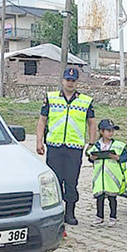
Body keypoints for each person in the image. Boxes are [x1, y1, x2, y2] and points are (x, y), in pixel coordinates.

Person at [36, 66, 96, 225]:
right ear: (62, 80)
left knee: (71, 181)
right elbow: (42, 120)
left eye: (73, 80)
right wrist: (38, 141)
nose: (70, 83)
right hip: (54, 146)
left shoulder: (85, 101)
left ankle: (70, 213)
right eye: (67, 80)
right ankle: (54, 212)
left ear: (77, 82)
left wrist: (92, 142)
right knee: (54, 181)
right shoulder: (51, 98)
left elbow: (91, 122)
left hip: (74, 147)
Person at [87, 119, 127, 227]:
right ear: (101, 132)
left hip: (112, 178)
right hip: (100, 177)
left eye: (112, 130)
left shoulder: (118, 145)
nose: (111, 133)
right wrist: (92, 158)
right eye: (108, 130)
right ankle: (99, 216)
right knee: (99, 197)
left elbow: (125, 157)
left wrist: (117, 157)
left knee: (112, 198)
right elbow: (90, 157)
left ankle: (113, 216)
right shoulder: (97, 146)